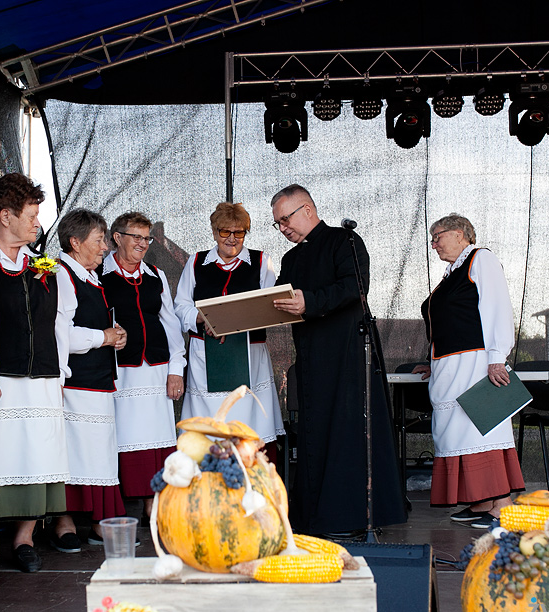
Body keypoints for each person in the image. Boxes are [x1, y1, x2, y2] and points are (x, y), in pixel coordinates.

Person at [272, 184, 407, 537]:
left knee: (347, 434)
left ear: (307, 210)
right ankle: (314, 518)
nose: (283, 228)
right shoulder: (290, 259)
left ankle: (349, 518)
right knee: (314, 434)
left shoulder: (343, 241)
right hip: (312, 359)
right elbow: (280, 299)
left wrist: (310, 302)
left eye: (285, 219)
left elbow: (354, 288)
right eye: (277, 224)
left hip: (349, 355)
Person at [411, 214, 525, 529]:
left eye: (438, 236)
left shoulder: (481, 259)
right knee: (456, 435)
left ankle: (502, 506)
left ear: (461, 234)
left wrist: (497, 356)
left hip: (475, 366)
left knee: (480, 430)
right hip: (449, 367)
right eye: (432, 238)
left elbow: (497, 307)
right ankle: (481, 503)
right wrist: (431, 360)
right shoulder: (453, 274)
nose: (433, 244)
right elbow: (451, 322)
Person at [0, 173, 70, 573]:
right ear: (4, 216)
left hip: (44, 377)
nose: (38, 223)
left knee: (39, 455)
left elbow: (59, 324)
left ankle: (25, 537)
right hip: (4, 377)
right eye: (32, 215)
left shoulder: (42, 265)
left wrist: (61, 372)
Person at [174, 202, 285, 449]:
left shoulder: (260, 261)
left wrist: (239, 318)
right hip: (205, 357)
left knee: (248, 424)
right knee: (210, 430)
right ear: (215, 232)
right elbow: (180, 308)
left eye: (239, 232)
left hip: (249, 356)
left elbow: (270, 305)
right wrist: (203, 318)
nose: (232, 239)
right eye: (225, 232)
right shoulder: (196, 262)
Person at [100, 212, 186, 520]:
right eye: (135, 236)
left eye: (146, 238)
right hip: (121, 371)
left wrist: (176, 368)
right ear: (117, 238)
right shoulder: (99, 273)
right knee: (125, 438)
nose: (142, 243)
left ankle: (154, 506)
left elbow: (171, 323)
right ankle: (124, 508)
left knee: (159, 438)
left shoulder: (155, 274)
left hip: (157, 368)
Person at [53, 209, 127, 551]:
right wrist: (104, 337)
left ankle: (99, 522)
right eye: (99, 240)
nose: (104, 248)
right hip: (75, 381)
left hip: (97, 378)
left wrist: (114, 335)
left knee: (97, 453)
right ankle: (64, 521)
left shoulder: (90, 277)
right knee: (73, 453)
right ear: (75, 242)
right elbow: (61, 333)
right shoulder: (61, 275)